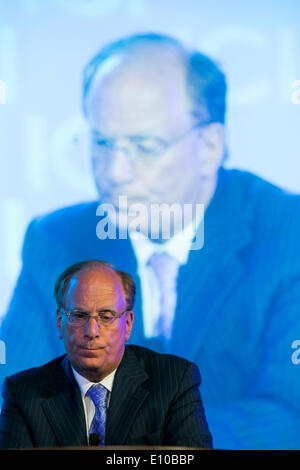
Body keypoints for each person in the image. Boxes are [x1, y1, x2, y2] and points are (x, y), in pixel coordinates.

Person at [1, 33, 300, 449]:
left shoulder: (289, 231)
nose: (115, 171)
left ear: (211, 145)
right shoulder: (56, 240)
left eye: (144, 146)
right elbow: (15, 399)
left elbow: (290, 415)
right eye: (103, 143)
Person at [0, 260, 213, 449]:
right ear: (59, 323)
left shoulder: (175, 381)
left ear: (128, 325)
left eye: (106, 316)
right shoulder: (23, 393)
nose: (92, 331)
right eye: (78, 315)